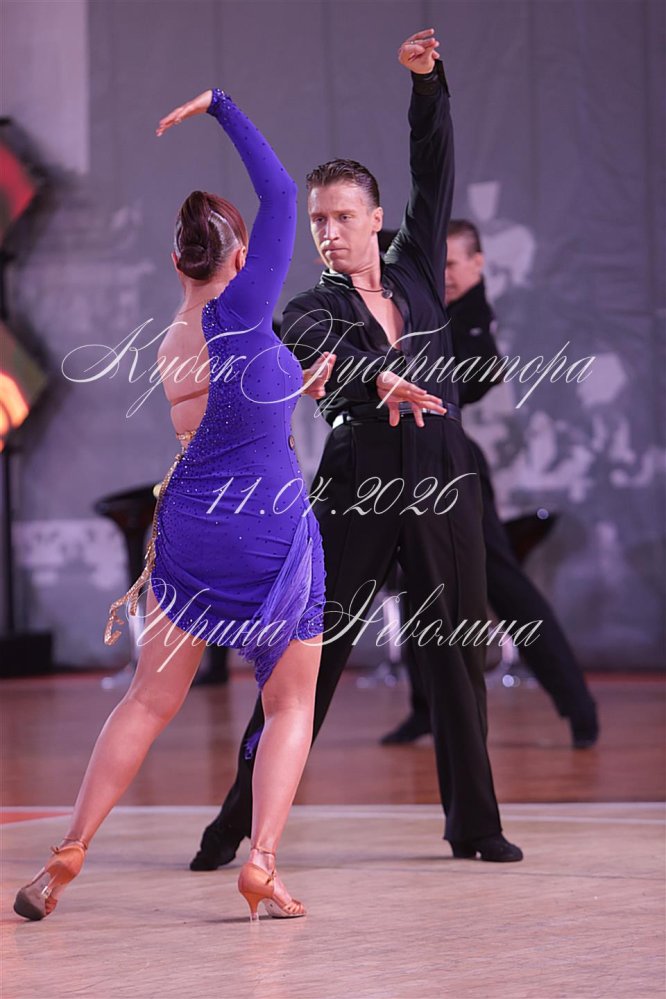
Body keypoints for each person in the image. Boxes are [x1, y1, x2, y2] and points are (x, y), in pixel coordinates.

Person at [191, 28, 523, 873]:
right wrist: (378, 375)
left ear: (376, 219)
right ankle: (231, 824)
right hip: (358, 486)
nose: (330, 233)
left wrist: (427, 85)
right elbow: (308, 343)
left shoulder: (418, 269)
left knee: (458, 652)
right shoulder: (309, 307)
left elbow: (433, 168)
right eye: (318, 221)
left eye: (344, 217)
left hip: (443, 478)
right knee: (310, 664)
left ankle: (476, 824)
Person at [14, 86, 334, 923]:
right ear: (241, 257)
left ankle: (67, 852)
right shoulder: (243, 311)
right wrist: (222, 107)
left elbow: (226, 416)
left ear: (175, 260)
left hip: (190, 525)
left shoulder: (173, 337)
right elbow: (282, 194)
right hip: (265, 528)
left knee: (147, 701)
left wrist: (291, 384)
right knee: (289, 701)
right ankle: (262, 861)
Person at [382, 220, 599, 749]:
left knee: (503, 584)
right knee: (416, 584)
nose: (445, 274)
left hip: (456, 468)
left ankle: (578, 705)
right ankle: (424, 708)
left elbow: (479, 376)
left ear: (478, 264)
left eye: (454, 264)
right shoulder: (433, 309)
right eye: (440, 265)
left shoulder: (472, 318)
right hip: (416, 460)